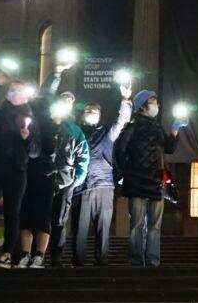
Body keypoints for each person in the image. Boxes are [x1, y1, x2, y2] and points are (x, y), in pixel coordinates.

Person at [0, 80, 39, 268]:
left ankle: (7, 253)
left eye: (19, 90)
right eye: (12, 90)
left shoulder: (30, 118)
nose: (15, 93)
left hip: (16, 170)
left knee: (12, 212)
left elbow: (35, 151)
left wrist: (27, 139)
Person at [18, 94, 88, 268]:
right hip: (41, 177)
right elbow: (34, 150)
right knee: (35, 216)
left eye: (69, 102)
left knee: (59, 221)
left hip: (64, 181)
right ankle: (28, 254)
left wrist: (75, 180)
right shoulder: (41, 125)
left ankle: (55, 258)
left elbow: (83, 157)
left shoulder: (74, 130)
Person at [114, 89, 180, 268]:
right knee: (147, 225)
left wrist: (175, 131)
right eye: (153, 102)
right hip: (144, 182)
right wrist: (125, 173)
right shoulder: (133, 126)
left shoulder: (153, 127)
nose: (157, 105)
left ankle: (144, 261)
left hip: (150, 182)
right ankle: (148, 261)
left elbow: (169, 148)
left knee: (142, 225)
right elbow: (120, 151)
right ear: (143, 106)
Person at [73, 86, 132, 265]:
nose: (91, 114)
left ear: (100, 115)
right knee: (79, 229)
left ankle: (102, 261)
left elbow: (122, 121)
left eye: (95, 112)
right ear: (83, 114)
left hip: (104, 186)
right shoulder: (76, 133)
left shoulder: (107, 133)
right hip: (81, 187)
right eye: (88, 111)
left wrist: (125, 100)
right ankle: (78, 262)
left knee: (103, 227)